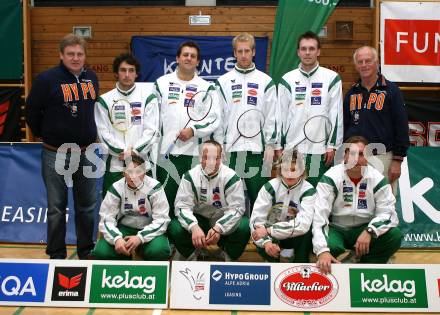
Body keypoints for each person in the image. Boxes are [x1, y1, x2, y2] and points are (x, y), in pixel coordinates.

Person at [26, 34, 99, 259]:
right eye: (71, 54)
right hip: (55, 152)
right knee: (56, 208)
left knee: (86, 206)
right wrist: (45, 134)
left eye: (79, 54)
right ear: (61, 55)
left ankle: (85, 251)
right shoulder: (47, 79)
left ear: (85, 56)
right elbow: (31, 111)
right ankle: (56, 254)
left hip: (87, 152)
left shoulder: (92, 78)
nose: (76, 58)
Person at [313, 136, 403, 274]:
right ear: (345, 155)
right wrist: (322, 251)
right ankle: (332, 270)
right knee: (329, 246)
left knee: (394, 236)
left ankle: (366, 269)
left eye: (361, 154)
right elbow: (319, 216)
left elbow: (389, 214)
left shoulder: (377, 179)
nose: (356, 159)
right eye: (352, 153)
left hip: (364, 228)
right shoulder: (331, 177)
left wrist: (370, 230)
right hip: (337, 229)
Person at [155, 41, 220, 215]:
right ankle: (167, 240)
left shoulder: (207, 88)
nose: (188, 58)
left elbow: (214, 119)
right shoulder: (161, 83)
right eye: (185, 55)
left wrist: (194, 131)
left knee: (191, 202)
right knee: (165, 201)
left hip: (194, 155)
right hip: (166, 154)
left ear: (198, 61)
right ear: (177, 58)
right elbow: (153, 119)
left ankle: (189, 240)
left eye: (193, 56)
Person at [215, 33, 279, 210]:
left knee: (260, 200)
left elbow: (272, 116)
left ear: (253, 52)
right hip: (231, 150)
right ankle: (230, 236)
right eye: (240, 51)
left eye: (247, 51)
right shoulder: (223, 82)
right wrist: (220, 145)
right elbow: (218, 117)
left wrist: (271, 145)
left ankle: (259, 236)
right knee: (229, 200)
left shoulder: (265, 81)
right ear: (234, 53)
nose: (243, 55)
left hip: (258, 151)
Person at [278, 31, 343, 187]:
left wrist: (332, 145)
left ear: (318, 51)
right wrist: (279, 146)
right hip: (292, 150)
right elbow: (279, 116)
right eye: (304, 48)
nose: (307, 53)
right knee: (291, 196)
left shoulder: (331, 78)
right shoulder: (287, 80)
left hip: (320, 151)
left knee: (319, 196)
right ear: (298, 52)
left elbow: (336, 114)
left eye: (312, 48)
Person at [168, 140, 250, 261]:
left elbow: (237, 209)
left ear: (221, 157)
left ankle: (227, 255)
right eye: (206, 157)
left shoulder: (231, 177)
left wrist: (219, 227)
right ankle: (192, 255)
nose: (211, 162)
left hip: (221, 222)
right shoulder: (190, 176)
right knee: (175, 226)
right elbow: (181, 207)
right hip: (199, 221)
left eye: (215, 158)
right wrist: (193, 227)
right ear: (200, 157)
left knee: (245, 225)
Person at [343, 46, 409, 189]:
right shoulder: (351, 93)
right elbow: (345, 126)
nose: (364, 65)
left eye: (368, 60)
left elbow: (402, 126)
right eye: (360, 62)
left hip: (382, 156)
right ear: (355, 66)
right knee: (357, 202)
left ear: (377, 63)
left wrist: (397, 160)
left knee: (385, 203)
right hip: (355, 158)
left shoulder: (392, 91)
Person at [95, 53, 159, 197]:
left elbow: (152, 131)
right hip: (115, 166)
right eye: (123, 70)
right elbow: (102, 134)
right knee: (111, 212)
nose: (127, 74)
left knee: (145, 210)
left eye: (131, 70)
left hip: (142, 164)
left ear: (136, 74)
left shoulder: (149, 98)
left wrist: (134, 152)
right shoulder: (104, 101)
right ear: (116, 73)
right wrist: (122, 152)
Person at [91, 155, 170, 260]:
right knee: (101, 252)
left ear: (145, 172)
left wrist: (140, 238)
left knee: (159, 250)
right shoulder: (116, 188)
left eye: (138, 172)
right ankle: (124, 256)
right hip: (124, 230)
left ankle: (141, 252)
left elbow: (162, 220)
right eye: (130, 172)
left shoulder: (154, 187)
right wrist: (117, 239)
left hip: (148, 230)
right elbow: (106, 219)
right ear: (123, 173)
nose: (134, 176)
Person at [250, 149, 315, 263]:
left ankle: (301, 265)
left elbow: (303, 224)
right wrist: (266, 242)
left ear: (302, 171)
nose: (290, 174)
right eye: (286, 170)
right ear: (280, 170)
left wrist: (269, 230)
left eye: (294, 170)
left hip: (295, 235)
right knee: (261, 236)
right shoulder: (269, 187)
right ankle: (271, 263)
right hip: (271, 236)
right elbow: (257, 220)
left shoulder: (308, 190)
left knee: (308, 231)